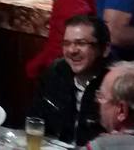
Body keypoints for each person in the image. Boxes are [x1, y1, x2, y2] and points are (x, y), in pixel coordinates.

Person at [29, 15, 112, 146]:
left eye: (81, 43)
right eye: (66, 43)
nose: (72, 50)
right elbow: (34, 120)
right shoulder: (55, 73)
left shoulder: (115, 85)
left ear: (105, 49)